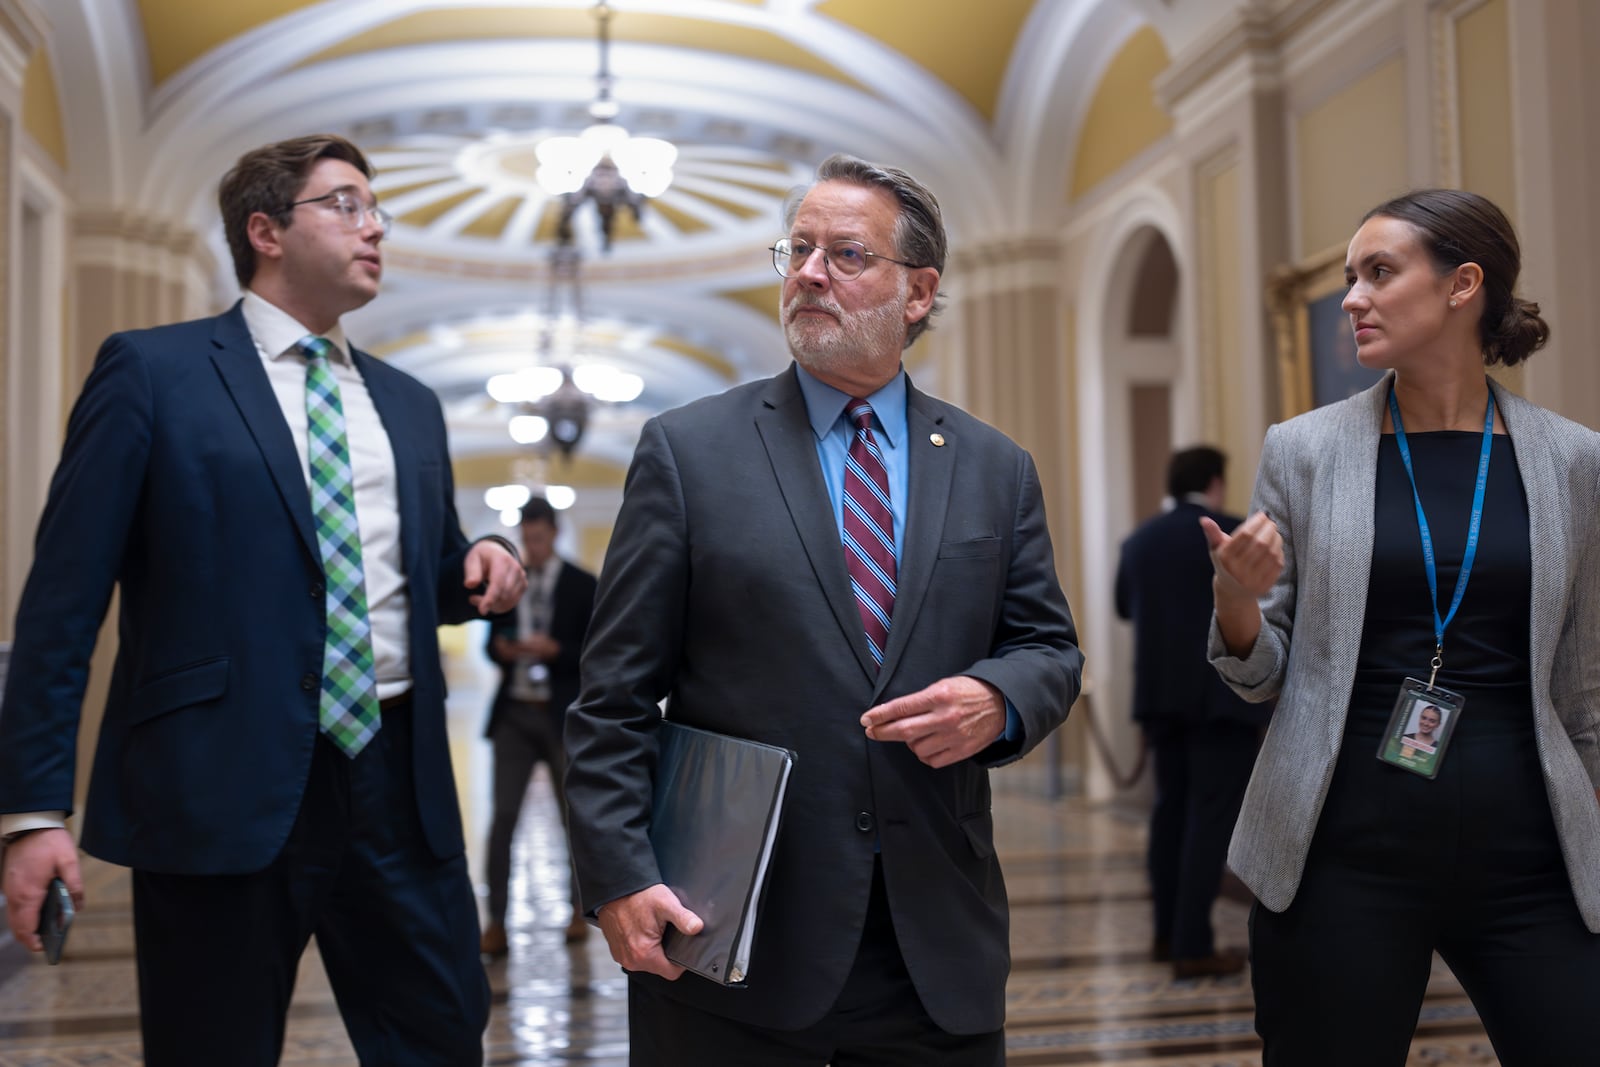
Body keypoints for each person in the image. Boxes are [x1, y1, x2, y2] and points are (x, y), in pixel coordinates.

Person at [0, 134, 526, 1065]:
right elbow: (60, 602)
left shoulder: (408, 404)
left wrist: (480, 559)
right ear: (265, 230)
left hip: (398, 785)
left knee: (442, 1040)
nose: (376, 230)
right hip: (218, 782)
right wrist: (34, 811)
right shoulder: (154, 373)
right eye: (347, 204)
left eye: (378, 211)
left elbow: (421, 577)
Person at [563, 153, 1083, 1065]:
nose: (808, 272)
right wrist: (619, 876)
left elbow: (1046, 647)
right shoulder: (689, 454)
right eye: (798, 249)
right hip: (731, 930)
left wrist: (998, 699)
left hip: (935, 942)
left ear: (917, 293)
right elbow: (612, 696)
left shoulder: (994, 466)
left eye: (845, 254)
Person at [1204, 188, 1600, 1064]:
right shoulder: (1303, 448)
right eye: (1350, 276)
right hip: (1343, 851)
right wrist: (1237, 599)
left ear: (1464, 285)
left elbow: (1587, 676)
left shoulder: (1572, 458)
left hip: (1532, 855)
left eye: (1379, 272)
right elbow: (1260, 668)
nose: (1352, 296)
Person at [1114, 446, 1266, 979]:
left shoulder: (1139, 541)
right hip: (1221, 696)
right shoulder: (1233, 532)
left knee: (1169, 813)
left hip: (1160, 697)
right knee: (1210, 819)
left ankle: (1163, 933)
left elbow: (1124, 607)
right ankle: (1192, 944)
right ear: (1216, 483)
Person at [480, 497, 597, 955]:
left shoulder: (582, 584)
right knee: (503, 818)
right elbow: (490, 643)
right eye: (527, 538)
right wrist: (503, 651)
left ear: (554, 532)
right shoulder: (509, 581)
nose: (534, 544)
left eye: (540, 536)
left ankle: (576, 910)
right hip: (514, 712)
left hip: (561, 711)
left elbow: (594, 649)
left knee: (574, 818)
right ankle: (496, 922)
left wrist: (556, 651)